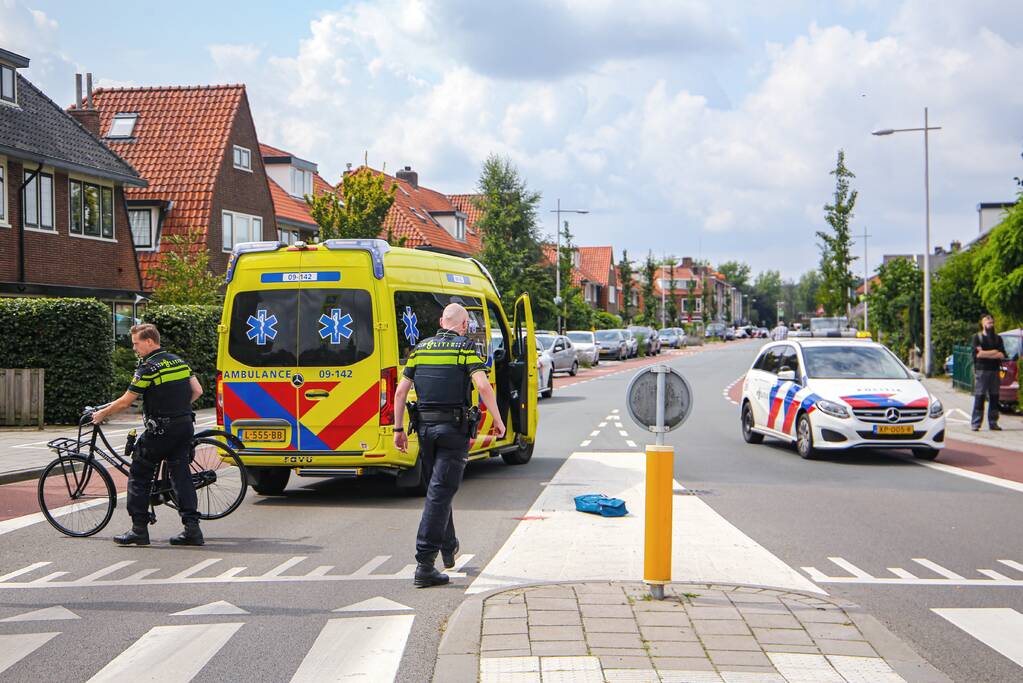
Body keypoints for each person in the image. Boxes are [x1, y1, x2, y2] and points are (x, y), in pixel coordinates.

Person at [393, 303, 506, 588]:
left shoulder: (420, 349)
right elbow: (482, 386)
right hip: (453, 431)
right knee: (440, 493)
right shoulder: (465, 349)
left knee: (438, 489)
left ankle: (449, 546)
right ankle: (424, 562)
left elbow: (401, 391)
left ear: (442, 321)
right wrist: (498, 419)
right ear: (465, 325)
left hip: (424, 431)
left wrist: (398, 429)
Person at [91, 324, 205, 546]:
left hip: (161, 430)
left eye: (136, 343)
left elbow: (126, 401)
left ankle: (139, 530)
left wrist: (102, 413)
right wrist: (178, 409)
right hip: (184, 426)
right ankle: (192, 530)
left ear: (149, 342)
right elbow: (197, 391)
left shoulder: (148, 368)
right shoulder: (178, 361)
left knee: (139, 474)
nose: (134, 348)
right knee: (180, 476)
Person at [971, 314, 1005, 432]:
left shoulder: (998, 338)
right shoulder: (977, 338)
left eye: (992, 322)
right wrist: (994, 352)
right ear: (982, 323)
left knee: (995, 397)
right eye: (987, 322)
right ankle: (976, 423)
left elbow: (1001, 354)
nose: (990, 324)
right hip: (981, 371)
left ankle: (993, 422)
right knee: (979, 396)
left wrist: (986, 353)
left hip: (995, 371)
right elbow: (978, 354)